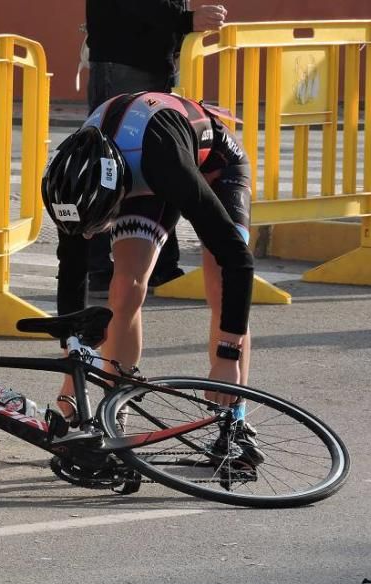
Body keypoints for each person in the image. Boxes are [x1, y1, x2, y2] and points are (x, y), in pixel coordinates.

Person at [43, 91, 254, 425]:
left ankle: (233, 421)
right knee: (125, 289)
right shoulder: (73, 177)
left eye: (96, 224)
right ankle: (116, 412)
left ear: (114, 194)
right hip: (137, 167)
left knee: (220, 282)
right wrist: (74, 354)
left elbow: (239, 261)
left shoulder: (166, 164)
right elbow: (71, 271)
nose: (87, 236)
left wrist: (228, 355)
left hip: (212, 166)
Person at [81, 0, 228, 297]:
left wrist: (182, 27)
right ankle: (97, 266)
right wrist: (186, 21)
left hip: (148, 60)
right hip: (125, 62)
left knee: (156, 161)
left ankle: (161, 264)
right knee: (112, 164)